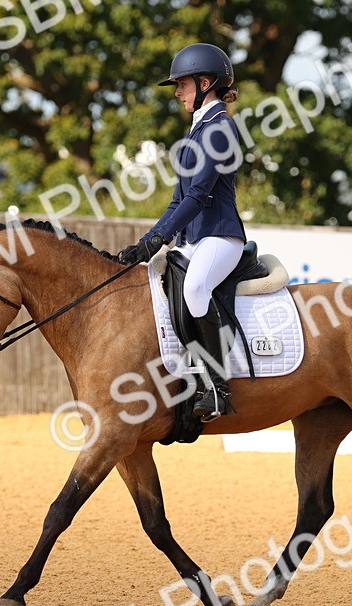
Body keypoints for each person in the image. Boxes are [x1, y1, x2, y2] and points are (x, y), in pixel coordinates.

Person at [117, 43, 246, 422]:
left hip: (221, 237)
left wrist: (162, 238)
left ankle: (218, 387)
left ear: (206, 83)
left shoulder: (220, 129)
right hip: (195, 237)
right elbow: (177, 201)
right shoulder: (197, 131)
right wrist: (148, 240)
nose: (177, 92)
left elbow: (199, 195)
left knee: (193, 288)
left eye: (182, 84)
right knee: (156, 284)